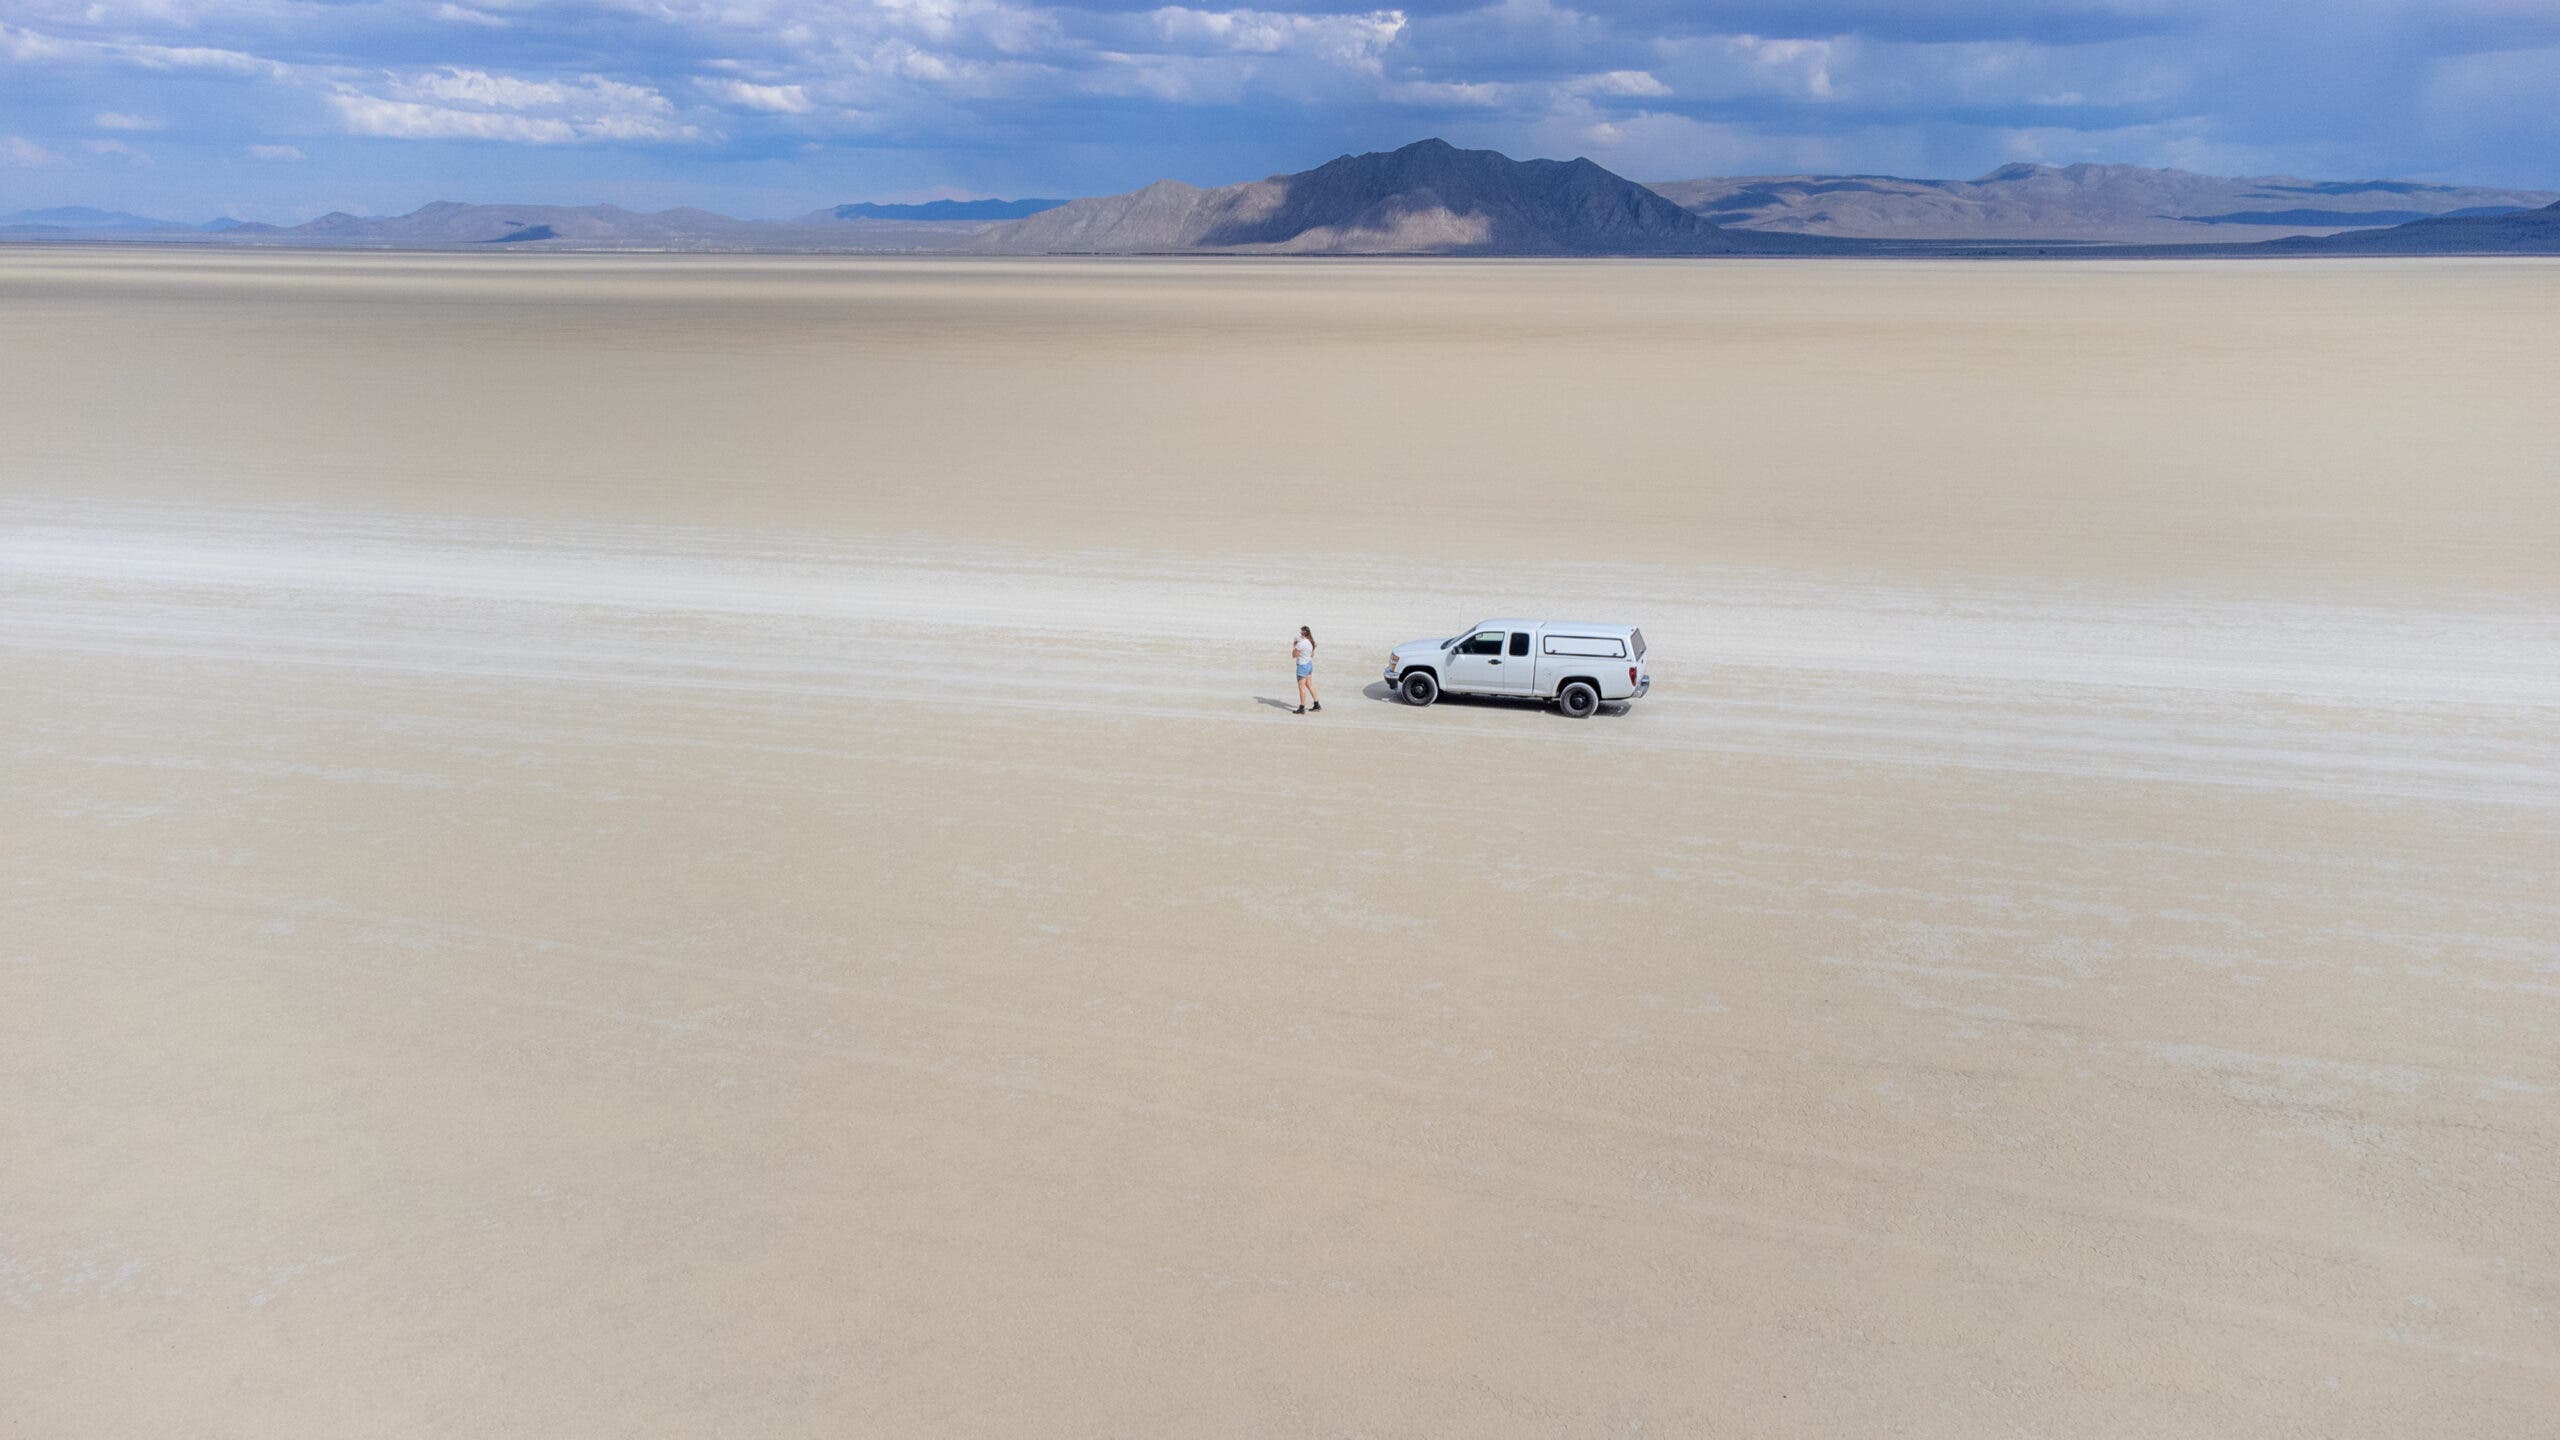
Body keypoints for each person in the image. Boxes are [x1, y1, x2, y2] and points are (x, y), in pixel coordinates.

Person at [1292, 626, 1320, 714]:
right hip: (1309, 664)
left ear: (1302, 634)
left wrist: (1295, 645)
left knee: (1301, 687)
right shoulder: (1311, 642)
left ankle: (1302, 707)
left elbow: (1294, 655)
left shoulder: (1301, 644)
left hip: (1302, 665)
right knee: (1309, 685)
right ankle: (1316, 704)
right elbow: (1312, 655)